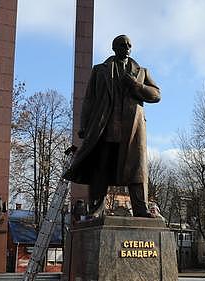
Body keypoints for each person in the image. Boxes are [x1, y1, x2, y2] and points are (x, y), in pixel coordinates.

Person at [63, 35, 161, 218]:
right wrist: (84, 125)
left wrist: (136, 86)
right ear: (115, 48)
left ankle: (141, 209)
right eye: (123, 45)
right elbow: (89, 100)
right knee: (100, 169)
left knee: (136, 170)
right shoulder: (100, 70)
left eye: (130, 45)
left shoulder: (141, 72)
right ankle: (96, 210)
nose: (128, 47)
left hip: (132, 130)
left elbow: (156, 95)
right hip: (104, 128)